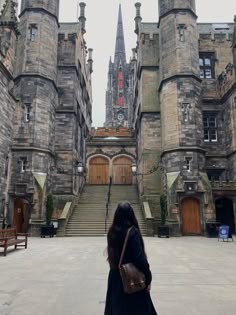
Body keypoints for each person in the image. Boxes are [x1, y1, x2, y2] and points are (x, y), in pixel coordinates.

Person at [104, 201, 157, 315]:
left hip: (115, 278)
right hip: (131, 279)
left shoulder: (111, 232)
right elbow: (139, 259)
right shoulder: (132, 232)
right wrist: (148, 278)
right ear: (131, 214)